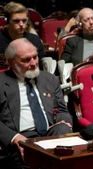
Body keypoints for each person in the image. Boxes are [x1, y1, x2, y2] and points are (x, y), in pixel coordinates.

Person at [0, 38, 73, 169]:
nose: (33, 63)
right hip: (21, 137)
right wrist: (15, 137)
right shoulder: (1, 82)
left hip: (48, 134)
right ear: (11, 62)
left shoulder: (49, 79)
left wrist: (64, 121)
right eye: (26, 60)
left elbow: (62, 110)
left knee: (64, 131)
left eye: (35, 57)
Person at [0, 1, 45, 70]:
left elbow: (41, 66)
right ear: (7, 21)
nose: (21, 24)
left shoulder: (34, 39)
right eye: (16, 21)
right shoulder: (1, 39)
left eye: (24, 21)